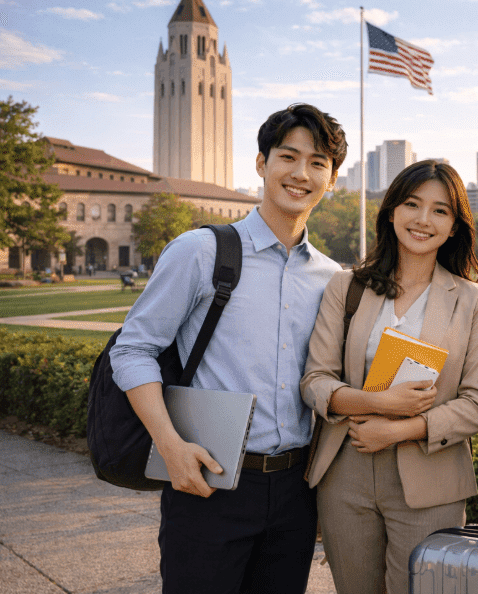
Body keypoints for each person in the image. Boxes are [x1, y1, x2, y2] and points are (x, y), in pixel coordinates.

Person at [110, 103, 348, 593]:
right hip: (209, 479)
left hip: (295, 491)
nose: (301, 173)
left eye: (318, 163)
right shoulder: (201, 250)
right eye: (288, 156)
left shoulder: (332, 278)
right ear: (262, 164)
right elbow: (132, 350)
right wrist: (170, 446)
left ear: (332, 178)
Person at [300, 160, 478, 594]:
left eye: (440, 210)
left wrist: (401, 429)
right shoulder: (346, 286)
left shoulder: (473, 300)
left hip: (432, 477)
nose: (423, 219)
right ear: (391, 211)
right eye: (412, 204)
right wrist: (379, 404)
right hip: (345, 472)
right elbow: (315, 380)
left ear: (454, 226)